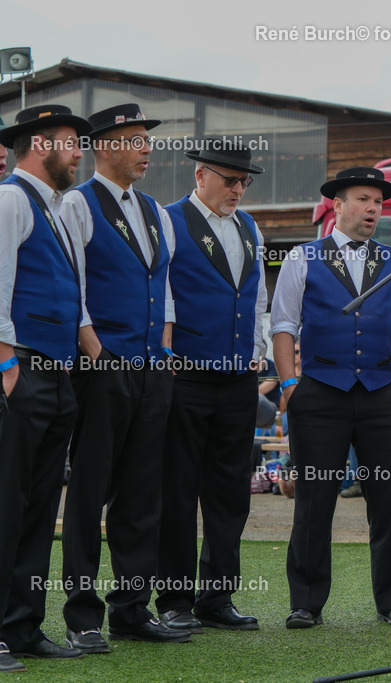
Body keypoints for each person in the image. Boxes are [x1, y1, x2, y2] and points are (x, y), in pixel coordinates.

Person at [271, 167, 391, 628]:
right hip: (319, 393)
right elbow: (283, 325)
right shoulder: (302, 257)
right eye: (363, 199)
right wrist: (290, 385)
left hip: (382, 393)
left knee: (387, 500)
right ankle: (306, 602)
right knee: (314, 500)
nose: (373, 208)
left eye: (378, 201)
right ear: (337, 204)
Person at [59, 104, 185, 651]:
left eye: (147, 141)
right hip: (102, 366)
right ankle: (82, 616)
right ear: (103, 146)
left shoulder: (156, 210)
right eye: (136, 140)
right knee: (89, 493)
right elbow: (73, 289)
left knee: (141, 496)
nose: (146, 149)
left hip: (151, 369)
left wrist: (162, 349)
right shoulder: (74, 204)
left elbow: (165, 286)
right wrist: (97, 353)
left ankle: (131, 610)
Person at [156, 139, 268, 634]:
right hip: (187, 374)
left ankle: (216, 597)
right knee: (177, 492)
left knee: (230, 494)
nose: (239, 189)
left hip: (239, 376)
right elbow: (160, 290)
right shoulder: (168, 219)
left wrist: (259, 347)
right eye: (230, 179)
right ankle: (174, 599)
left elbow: (257, 293)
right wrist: (166, 351)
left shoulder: (249, 226)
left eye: (244, 181)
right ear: (201, 175)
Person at [0, 104, 92, 671]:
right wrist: (6, 369)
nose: (80, 151)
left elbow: (70, 292)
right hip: (22, 373)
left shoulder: (58, 209)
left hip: (55, 375)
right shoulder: (10, 199)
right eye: (71, 142)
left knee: (38, 511)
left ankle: (23, 626)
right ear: (40, 144)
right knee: (7, 507)